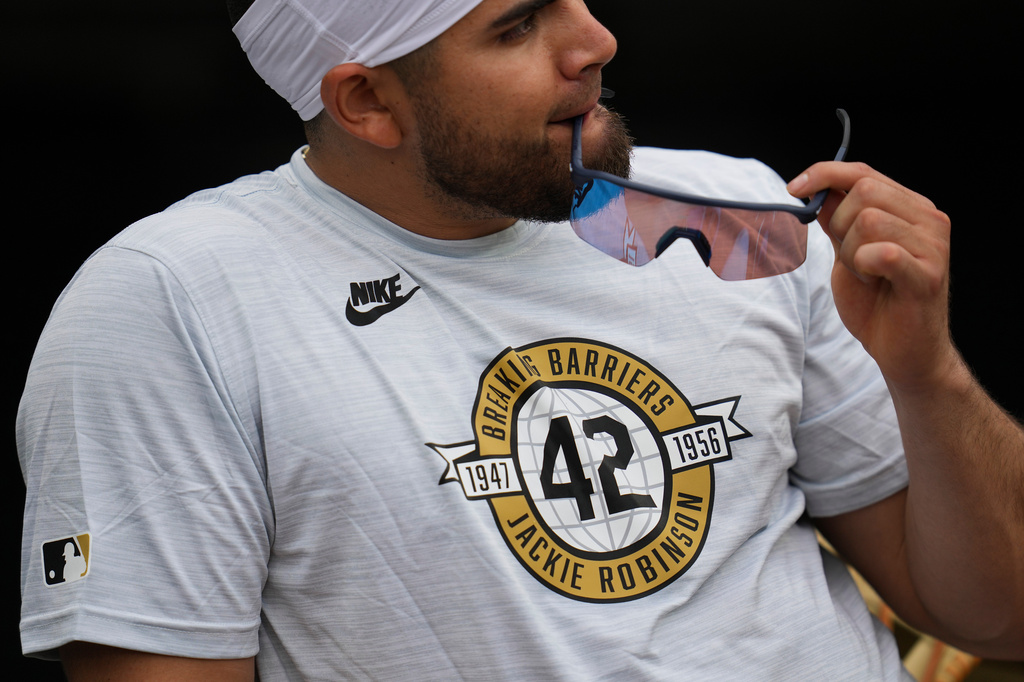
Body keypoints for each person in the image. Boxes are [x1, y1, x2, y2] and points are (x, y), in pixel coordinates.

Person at [16, 0, 1023, 679]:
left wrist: (924, 370)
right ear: (365, 102)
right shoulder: (173, 300)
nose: (593, 40)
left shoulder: (736, 213)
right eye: (516, 25)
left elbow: (993, 615)